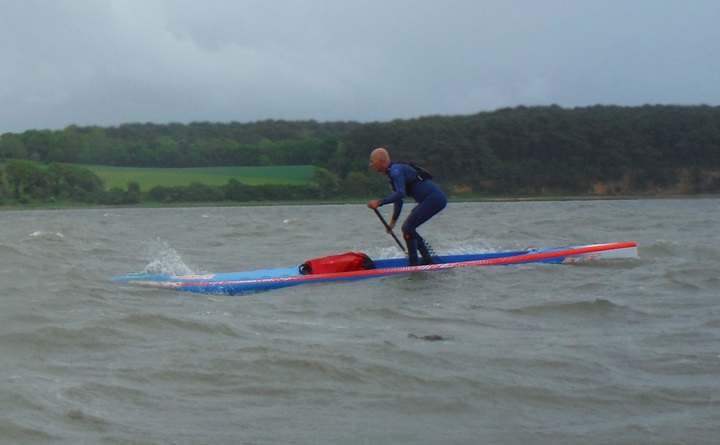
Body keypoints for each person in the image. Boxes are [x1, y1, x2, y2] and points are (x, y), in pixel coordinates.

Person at [367, 147, 447, 266]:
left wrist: (379, 202)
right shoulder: (392, 173)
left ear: (381, 160)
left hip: (434, 199)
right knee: (409, 227)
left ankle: (414, 263)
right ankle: (426, 259)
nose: (370, 165)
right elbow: (399, 199)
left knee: (408, 227)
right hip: (429, 199)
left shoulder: (395, 170)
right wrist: (393, 221)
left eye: (372, 161)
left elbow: (400, 193)